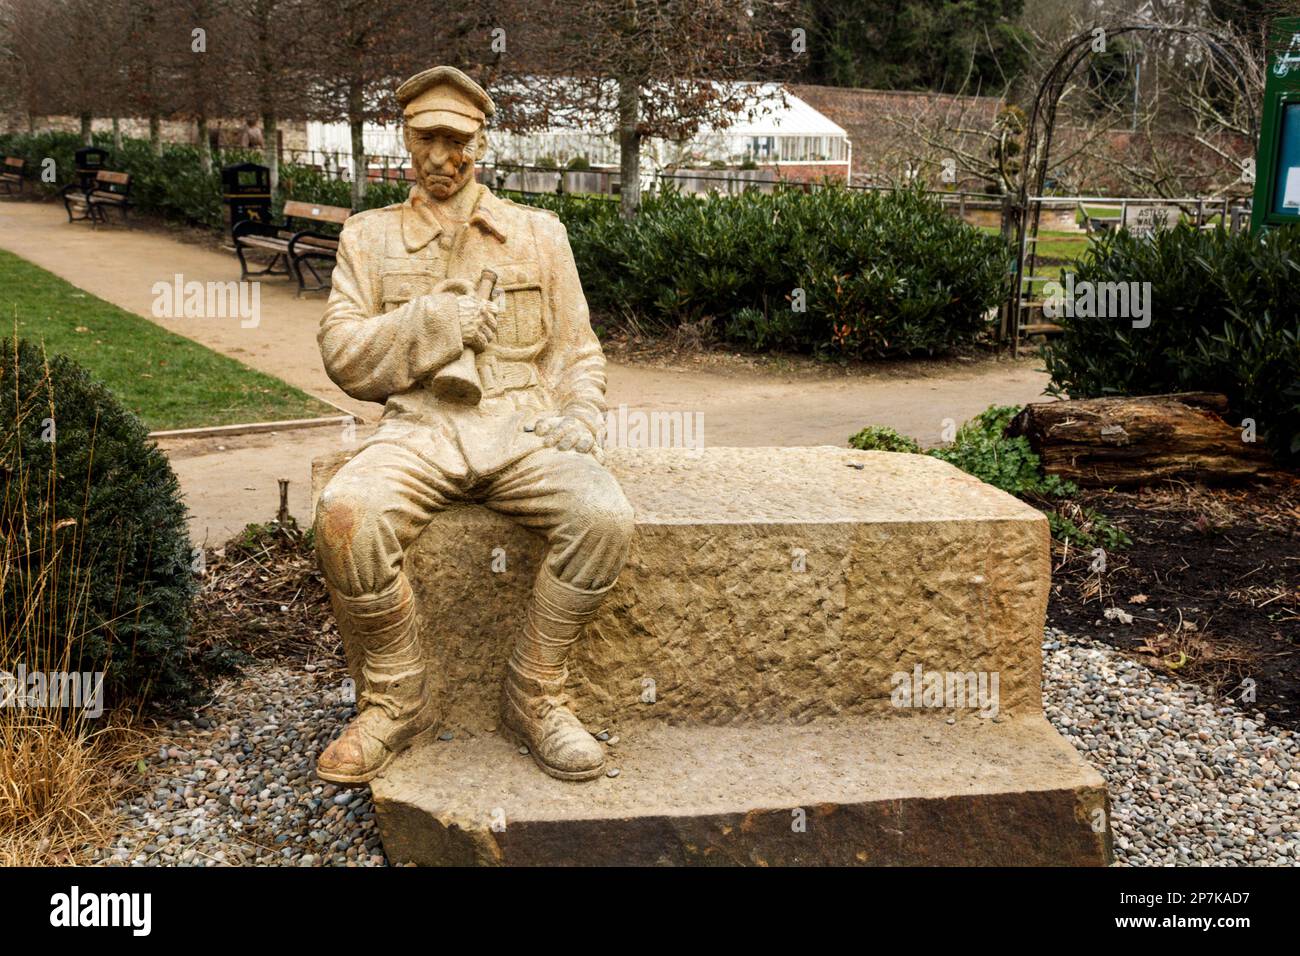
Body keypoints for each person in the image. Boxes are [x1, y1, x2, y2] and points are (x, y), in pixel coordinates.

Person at [313, 66, 633, 784]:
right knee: (345, 515)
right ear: (406, 139)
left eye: (456, 141)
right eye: (426, 138)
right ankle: (398, 700)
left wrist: (581, 414)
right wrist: (435, 322)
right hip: (419, 427)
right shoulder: (369, 238)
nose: (440, 158)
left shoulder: (537, 234)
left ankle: (536, 692)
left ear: (480, 143)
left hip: (523, 426)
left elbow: (577, 350)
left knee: (603, 515)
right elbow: (344, 354)